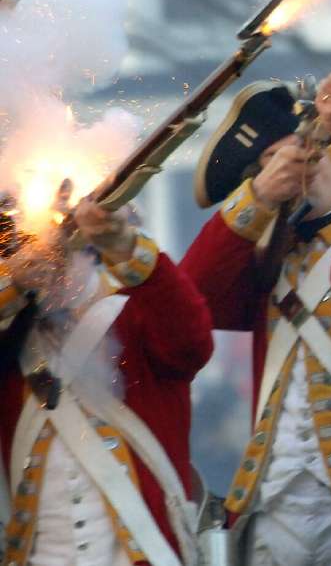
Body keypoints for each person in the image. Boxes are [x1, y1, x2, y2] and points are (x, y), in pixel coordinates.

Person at [180, 74, 331, 566]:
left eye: (312, 153)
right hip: (272, 500)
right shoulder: (262, 264)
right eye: (273, 160)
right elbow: (191, 300)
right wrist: (259, 199)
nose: (296, 168)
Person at [1, 198, 213, 566]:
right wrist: (13, 287)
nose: (46, 266)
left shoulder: (137, 316)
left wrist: (126, 246)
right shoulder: (8, 345)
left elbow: (191, 343)